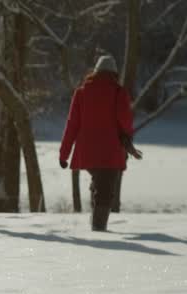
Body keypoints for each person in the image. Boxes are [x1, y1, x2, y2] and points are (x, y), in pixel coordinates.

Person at [58, 55, 142, 231]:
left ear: (95, 72)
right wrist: (128, 140)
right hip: (110, 152)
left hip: (87, 152)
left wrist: (64, 154)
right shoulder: (119, 92)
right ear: (114, 73)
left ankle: (96, 224)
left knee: (100, 183)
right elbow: (125, 122)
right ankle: (98, 231)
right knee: (105, 192)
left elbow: (72, 125)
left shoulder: (81, 93)